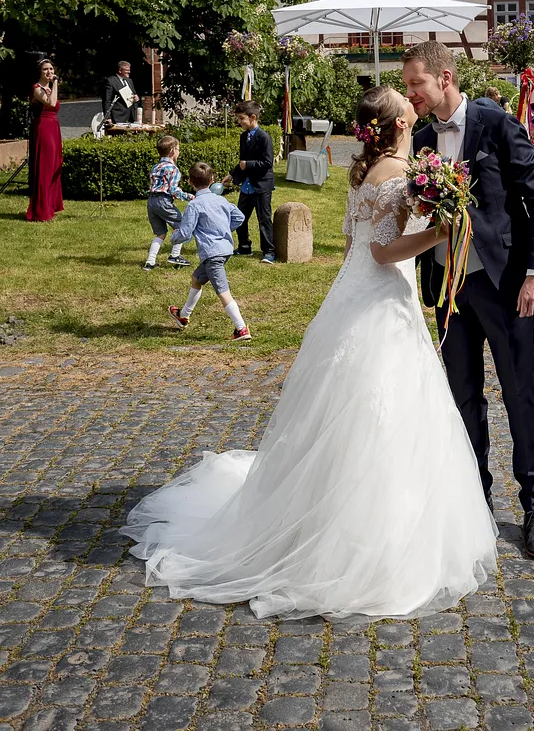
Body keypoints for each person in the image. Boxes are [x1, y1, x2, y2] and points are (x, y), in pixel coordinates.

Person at [124, 87, 498, 617]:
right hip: (380, 298)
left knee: (354, 407)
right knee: (382, 408)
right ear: (397, 123)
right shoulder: (394, 173)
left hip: (356, 293)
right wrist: (440, 230)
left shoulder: (365, 171)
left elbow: (350, 246)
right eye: (405, 103)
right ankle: (368, 536)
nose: (413, 105)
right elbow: (381, 251)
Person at [403, 42, 534, 559]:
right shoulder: (422, 140)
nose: (411, 93)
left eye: (416, 84)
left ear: (444, 78)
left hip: (503, 283)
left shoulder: (496, 124)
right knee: (464, 397)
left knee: (519, 394)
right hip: (449, 288)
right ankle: (477, 500)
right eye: (407, 86)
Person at [167, 162, 250, 342]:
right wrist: (224, 229)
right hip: (225, 250)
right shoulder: (221, 200)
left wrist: (174, 237)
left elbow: (185, 233)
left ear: (190, 182)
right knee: (197, 278)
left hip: (212, 254)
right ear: (212, 180)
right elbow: (240, 217)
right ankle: (183, 316)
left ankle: (241, 328)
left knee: (223, 291)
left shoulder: (194, 205)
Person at [223, 100, 276, 263]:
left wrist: (248, 164)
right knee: (240, 217)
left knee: (264, 219)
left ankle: (269, 251)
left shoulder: (264, 138)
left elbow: (267, 163)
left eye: (241, 118)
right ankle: (244, 246)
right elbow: (242, 161)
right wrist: (232, 175)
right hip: (247, 185)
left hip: (261, 185)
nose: (239, 122)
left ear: (253, 117)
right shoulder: (244, 136)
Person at [143, 135, 193, 271]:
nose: (179, 152)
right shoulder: (173, 169)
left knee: (160, 233)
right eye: (178, 149)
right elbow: (173, 190)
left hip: (151, 202)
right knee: (181, 226)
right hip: (163, 201)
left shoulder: (155, 167)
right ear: (172, 151)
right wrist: (189, 196)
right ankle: (175, 255)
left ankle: (150, 262)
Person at [26, 58, 64, 223]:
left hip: (54, 127)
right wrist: (55, 84)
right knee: (45, 168)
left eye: (51, 69)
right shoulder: (36, 88)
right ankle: (41, 210)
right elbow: (51, 102)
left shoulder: (49, 88)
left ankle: (50, 205)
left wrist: (53, 86)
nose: (50, 72)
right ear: (40, 72)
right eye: (46, 69)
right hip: (43, 128)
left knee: (54, 165)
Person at [103, 60, 140, 124]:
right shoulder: (111, 81)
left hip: (131, 116)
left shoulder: (129, 81)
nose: (129, 72)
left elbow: (134, 94)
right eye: (126, 70)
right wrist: (108, 117)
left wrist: (136, 98)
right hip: (118, 116)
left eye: (129, 70)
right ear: (120, 70)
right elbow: (107, 100)